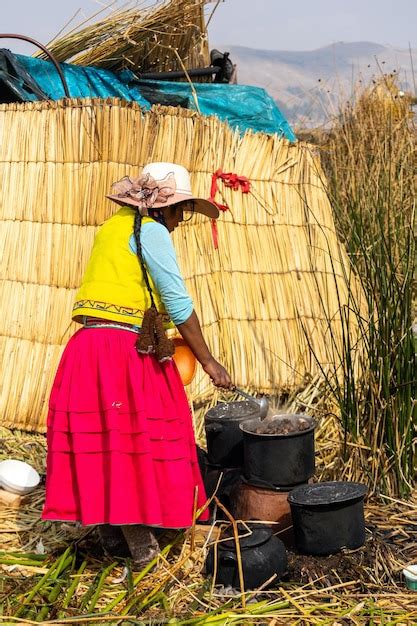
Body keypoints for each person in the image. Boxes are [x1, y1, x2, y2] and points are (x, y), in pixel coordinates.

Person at [42, 162, 232, 566]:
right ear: (162, 209)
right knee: (144, 438)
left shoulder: (112, 227)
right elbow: (178, 302)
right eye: (181, 211)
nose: (182, 222)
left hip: (86, 349)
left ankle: (112, 539)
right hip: (120, 354)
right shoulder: (152, 232)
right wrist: (210, 361)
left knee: (108, 441)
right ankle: (143, 550)